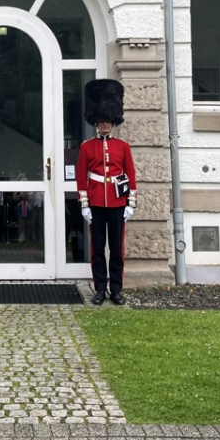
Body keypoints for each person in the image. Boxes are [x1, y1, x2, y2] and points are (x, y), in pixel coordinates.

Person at [75, 79, 137, 306]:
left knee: (117, 250)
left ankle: (116, 289)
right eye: (102, 121)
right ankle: (100, 288)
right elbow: (81, 177)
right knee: (98, 249)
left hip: (118, 202)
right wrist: (84, 204)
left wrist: (131, 202)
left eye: (108, 121)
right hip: (96, 203)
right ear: (96, 122)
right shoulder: (86, 147)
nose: (105, 125)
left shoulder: (123, 146)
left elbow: (130, 175)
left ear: (113, 122)